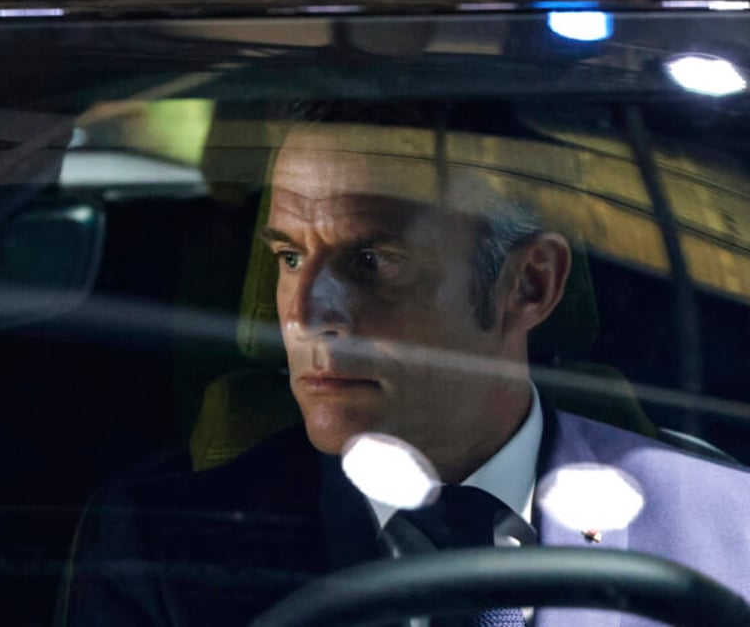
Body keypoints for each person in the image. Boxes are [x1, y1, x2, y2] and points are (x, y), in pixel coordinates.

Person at [58, 103, 750, 627]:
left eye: (370, 262)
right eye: (290, 257)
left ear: (530, 284)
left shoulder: (726, 519)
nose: (301, 316)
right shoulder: (164, 545)